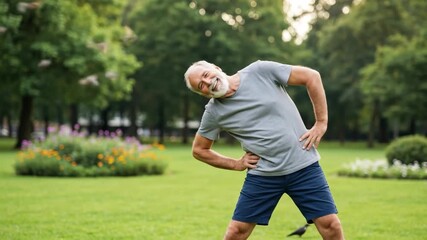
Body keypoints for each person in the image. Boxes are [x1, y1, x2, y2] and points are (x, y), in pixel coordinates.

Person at [184, 60, 345, 240]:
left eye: (206, 75)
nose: (208, 83)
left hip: (303, 167)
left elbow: (311, 76)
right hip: (263, 177)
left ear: (216, 68)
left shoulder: (259, 71)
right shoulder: (214, 113)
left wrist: (321, 122)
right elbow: (199, 150)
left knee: (331, 226)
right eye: (201, 86)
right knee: (236, 232)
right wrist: (236, 164)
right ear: (203, 94)